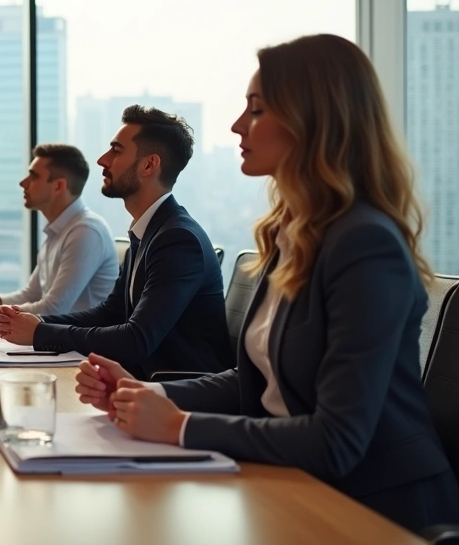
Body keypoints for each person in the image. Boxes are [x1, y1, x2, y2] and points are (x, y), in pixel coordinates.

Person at [76, 34, 459, 532]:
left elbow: (337, 439)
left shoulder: (366, 244)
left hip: (376, 510)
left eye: (256, 110)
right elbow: (259, 378)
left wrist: (181, 427)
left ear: (312, 121)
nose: (238, 125)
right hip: (292, 486)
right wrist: (149, 396)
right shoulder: (292, 233)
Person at [0, 105, 231, 379]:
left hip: (176, 394)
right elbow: (110, 314)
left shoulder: (178, 239)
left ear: (149, 165)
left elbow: (136, 340)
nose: (102, 160)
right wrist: (37, 323)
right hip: (142, 386)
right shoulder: (149, 231)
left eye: (116, 151)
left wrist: (40, 333)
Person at [0, 144, 116, 319]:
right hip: (58, 340)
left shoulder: (85, 232)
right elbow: (32, 294)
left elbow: (54, 308)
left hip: (79, 345)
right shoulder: (59, 230)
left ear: (59, 186)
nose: (23, 183)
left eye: (33, 176)